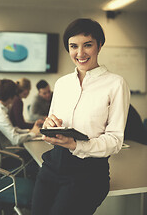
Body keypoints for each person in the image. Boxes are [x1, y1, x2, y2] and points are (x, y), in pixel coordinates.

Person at [31, 18, 130, 215]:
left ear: (99, 46)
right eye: (73, 46)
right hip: (52, 166)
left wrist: (76, 145)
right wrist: (50, 127)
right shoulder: (62, 84)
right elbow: (53, 128)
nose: (80, 53)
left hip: (88, 174)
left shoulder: (116, 84)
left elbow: (115, 140)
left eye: (88, 45)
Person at [0, 79, 41, 148]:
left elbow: (12, 129)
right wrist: (32, 134)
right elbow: (15, 140)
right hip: (6, 153)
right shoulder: (1, 114)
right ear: (12, 96)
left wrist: (29, 131)